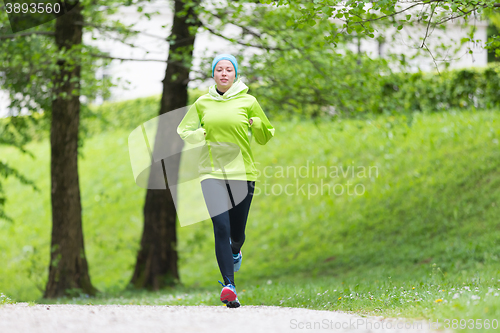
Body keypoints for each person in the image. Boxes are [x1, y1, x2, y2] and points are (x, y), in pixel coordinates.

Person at [177, 54, 275, 308]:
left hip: (243, 173)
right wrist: (200, 133)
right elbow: (184, 130)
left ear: (235, 74)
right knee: (220, 226)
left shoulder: (249, 101)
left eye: (228, 70)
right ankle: (229, 286)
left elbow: (266, 135)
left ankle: (235, 251)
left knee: (236, 233)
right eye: (219, 69)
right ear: (213, 74)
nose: (223, 73)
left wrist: (257, 125)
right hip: (211, 173)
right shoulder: (202, 103)